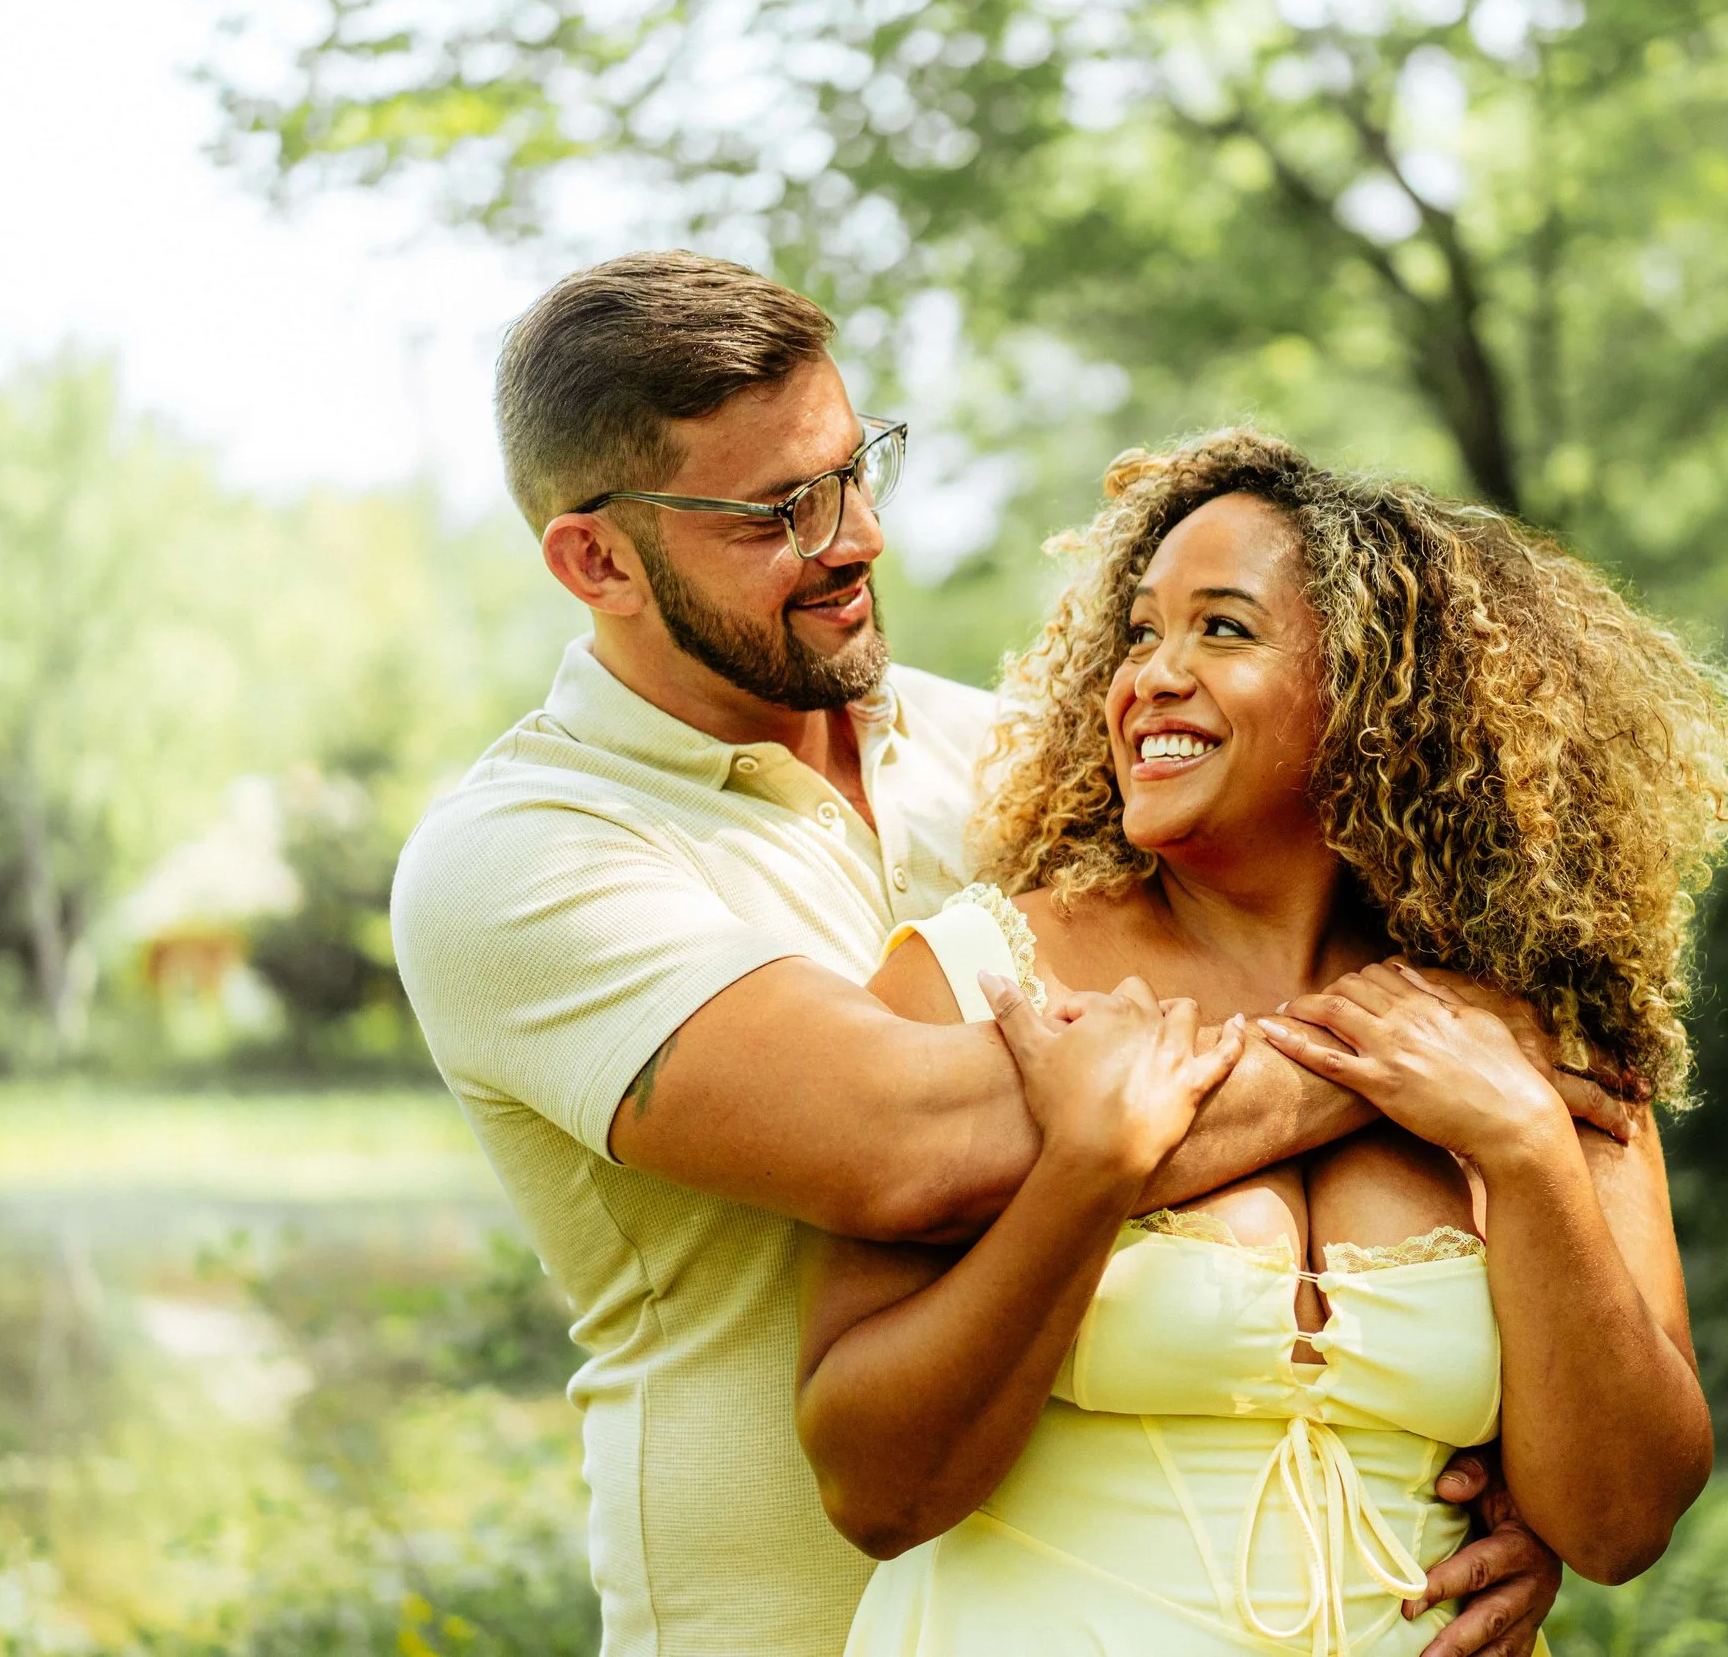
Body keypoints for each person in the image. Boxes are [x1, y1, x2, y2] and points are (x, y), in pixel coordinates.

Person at [391, 253, 1628, 1656]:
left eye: (857, 471)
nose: (853, 535)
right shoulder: (524, 855)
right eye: (776, 513)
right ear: (594, 558)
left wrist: (1473, 1466)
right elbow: (917, 1145)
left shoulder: (1025, 764)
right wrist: (1444, 1049)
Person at [796, 432, 1728, 1654]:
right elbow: (874, 1493)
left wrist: (1521, 1145)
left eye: (1223, 629)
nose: (1149, 675)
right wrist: (1089, 1172)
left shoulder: (1533, 1035)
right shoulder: (982, 978)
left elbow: (1620, 1520)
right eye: (1140, 633)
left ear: (1373, 696)